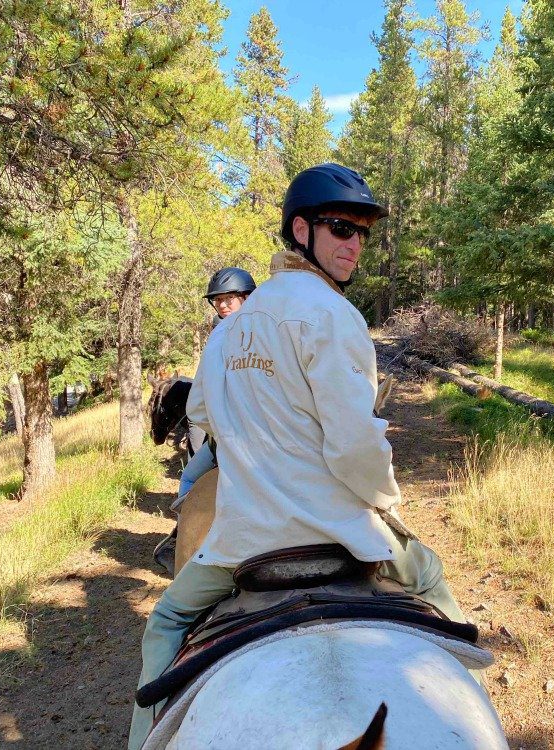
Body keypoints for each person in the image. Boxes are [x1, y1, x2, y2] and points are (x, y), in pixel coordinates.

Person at [128, 164, 468, 750]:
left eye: (362, 232)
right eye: (341, 228)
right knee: (431, 577)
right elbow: (354, 445)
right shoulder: (333, 315)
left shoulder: (227, 333)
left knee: (166, 624)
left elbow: (204, 416)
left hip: (245, 540)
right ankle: (462, 687)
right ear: (302, 230)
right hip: (339, 533)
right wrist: (387, 499)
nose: (355, 244)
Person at [151, 267, 256, 574]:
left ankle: (180, 541)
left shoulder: (221, 336)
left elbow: (200, 402)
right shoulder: (272, 327)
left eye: (229, 299)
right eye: (218, 300)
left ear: (246, 297)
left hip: (231, 433)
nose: (223, 305)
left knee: (188, 478)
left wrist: (216, 429)